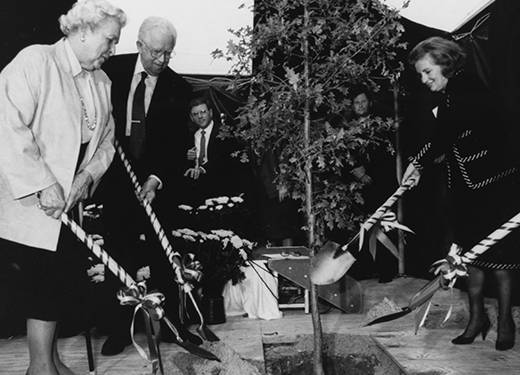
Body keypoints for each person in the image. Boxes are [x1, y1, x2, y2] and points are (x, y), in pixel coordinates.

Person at [0, 1, 126, 374]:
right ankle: (40, 368)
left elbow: (107, 142)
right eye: (110, 40)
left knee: (58, 286)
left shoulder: (101, 81)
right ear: (83, 30)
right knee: (44, 286)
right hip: (30, 209)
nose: (113, 50)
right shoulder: (35, 61)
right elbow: (7, 126)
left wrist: (86, 178)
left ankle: (49, 362)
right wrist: (42, 183)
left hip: (69, 207)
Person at [403, 36, 520, 351]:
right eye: (421, 75)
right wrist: (419, 165)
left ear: (444, 62)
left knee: (499, 257)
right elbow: (447, 139)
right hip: (467, 188)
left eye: (428, 72)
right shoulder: (450, 93)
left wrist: (417, 163)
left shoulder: (466, 87)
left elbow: (445, 133)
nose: (425, 80)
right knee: (470, 255)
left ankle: (505, 322)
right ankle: (477, 317)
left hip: (494, 187)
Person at [97, 16, 197, 356]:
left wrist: (155, 179)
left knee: (164, 253)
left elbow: (174, 143)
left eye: (168, 53)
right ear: (139, 45)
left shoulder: (179, 88)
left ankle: (170, 326)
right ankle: (119, 330)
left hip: (155, 182)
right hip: (116, 179)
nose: (162, 60)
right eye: (156, 52)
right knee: (118, 253)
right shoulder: (111, 70)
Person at [348, 85, 398, 283]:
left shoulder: (381, 125)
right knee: (360, 227)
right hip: (359, 188)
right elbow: (342, 157)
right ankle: (363, 270)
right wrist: (356, 171)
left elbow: (386, 156)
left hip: (382, 183)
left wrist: (369, 172)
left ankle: (387, 271)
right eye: (356, 102)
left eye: (363, 101)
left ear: (369, 103)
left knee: (385, 225)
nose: (360, 105)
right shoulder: (346, 129)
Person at [180, 97, 240, 211]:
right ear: (191, 118)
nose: (200, 116)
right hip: (196, 188)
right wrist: (186, 157)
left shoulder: (224, 131)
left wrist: (202, 169)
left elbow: (223, 156)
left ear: (211, 113)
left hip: (219, 186)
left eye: (203, 112)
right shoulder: (190, 136)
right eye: (195, 114)